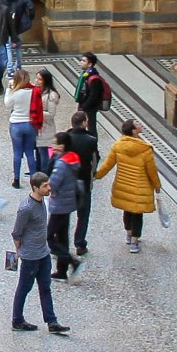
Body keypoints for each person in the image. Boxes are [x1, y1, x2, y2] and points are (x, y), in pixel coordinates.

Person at [10, 174, 70, 334]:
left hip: (43, 253)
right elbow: (16, 232)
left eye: (48, 185)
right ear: (35, 188)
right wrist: (19, 251)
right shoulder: (26, 208)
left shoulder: (42, 201)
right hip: (30, 257)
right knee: (24, 287)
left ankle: (52, 321)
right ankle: (17, 319)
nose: (49, 188)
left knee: (45, 287)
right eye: (45, 186)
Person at [95, 118, 161, 254]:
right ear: (134, 130)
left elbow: (108, 164)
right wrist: (157, 185)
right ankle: (135, 242)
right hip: (140, 186)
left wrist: (97, 175)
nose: (140, 124)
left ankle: (129, 235)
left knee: (127, 210)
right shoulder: (145, 149)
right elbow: (151, 170)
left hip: (123, 184)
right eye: (138, 124)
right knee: (137, 214)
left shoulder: (118, 146)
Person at [46, 132, 84, 282]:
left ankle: (73, 262)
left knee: (49, 237)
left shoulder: (61, 163)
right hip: (68, 202)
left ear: (61, 146)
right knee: (62, 236)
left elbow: (53, 183)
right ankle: (61, 271)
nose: (52, 146)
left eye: (55, 143)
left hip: (59, 203)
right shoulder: (71, 159)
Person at [65, 111, 98, 256]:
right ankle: (79, 243)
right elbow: (95, 160)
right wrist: (93, 175)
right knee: (83, 214)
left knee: (64, 214)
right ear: (84, 123)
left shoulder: (65, 138)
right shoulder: (91, 140)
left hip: (67, 183)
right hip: (84, 181)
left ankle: (60, 242)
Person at [4, 68, 39, 189]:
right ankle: (34, 180)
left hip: (16, 124)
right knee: (30, 152)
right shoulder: (33, 91)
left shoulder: (15, 93)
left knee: (17, 153)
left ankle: (16, 179)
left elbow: (7, 104)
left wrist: (9, 88)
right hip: (30, 123)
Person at [33, 69, 61, 173]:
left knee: (42, 151)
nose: (36, 81)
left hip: (45, 127)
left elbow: (51, 114)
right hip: (36, 126)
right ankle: (38, 170)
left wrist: (36, 113)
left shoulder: (51, 95)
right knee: (38, 151)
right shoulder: (36, 91)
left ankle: (44, 172)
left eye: (40, 79)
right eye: (36, 78)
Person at [74, 52, 106, 135]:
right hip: (84, 106)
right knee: (82, 127)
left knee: (91, 128)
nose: (80, 62)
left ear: (90, 64)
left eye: (84, 61)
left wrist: (84, 107)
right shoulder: (85, 75)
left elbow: (94, 96)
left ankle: (92, 145)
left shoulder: (94, 78)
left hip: (90, 108)